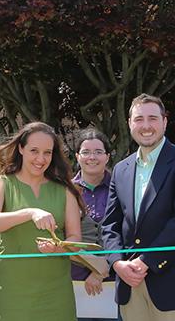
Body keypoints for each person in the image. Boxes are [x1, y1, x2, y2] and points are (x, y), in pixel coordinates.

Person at [102, 93, 175, 321]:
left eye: (153, 118)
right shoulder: (121, 169)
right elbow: (110, 224)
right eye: (139, 119)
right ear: (129, 123)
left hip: (173, 286)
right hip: (129, 284)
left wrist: (146, 261)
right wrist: (117, 262)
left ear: (164, 122)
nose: (146, 126)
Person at [0, 122, 84, 321]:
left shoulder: (64, 189)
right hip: (12, 290)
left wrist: (58, 248)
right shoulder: (2, 183)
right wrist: (30, 213)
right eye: (34, 151)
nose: (41, 159)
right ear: (21, 148)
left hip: (56, 291)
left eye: (47, 152)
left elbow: (75, 240)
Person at [71, 129, 116, 321]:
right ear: (77, 157)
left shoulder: (121, 186)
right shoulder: (67, 191)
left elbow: (125, 231)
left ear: (107, 157)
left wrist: (101, 271)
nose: (92, 157)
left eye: (98, 152)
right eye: (86, 152)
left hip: (115, 279)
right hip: (75, 280)